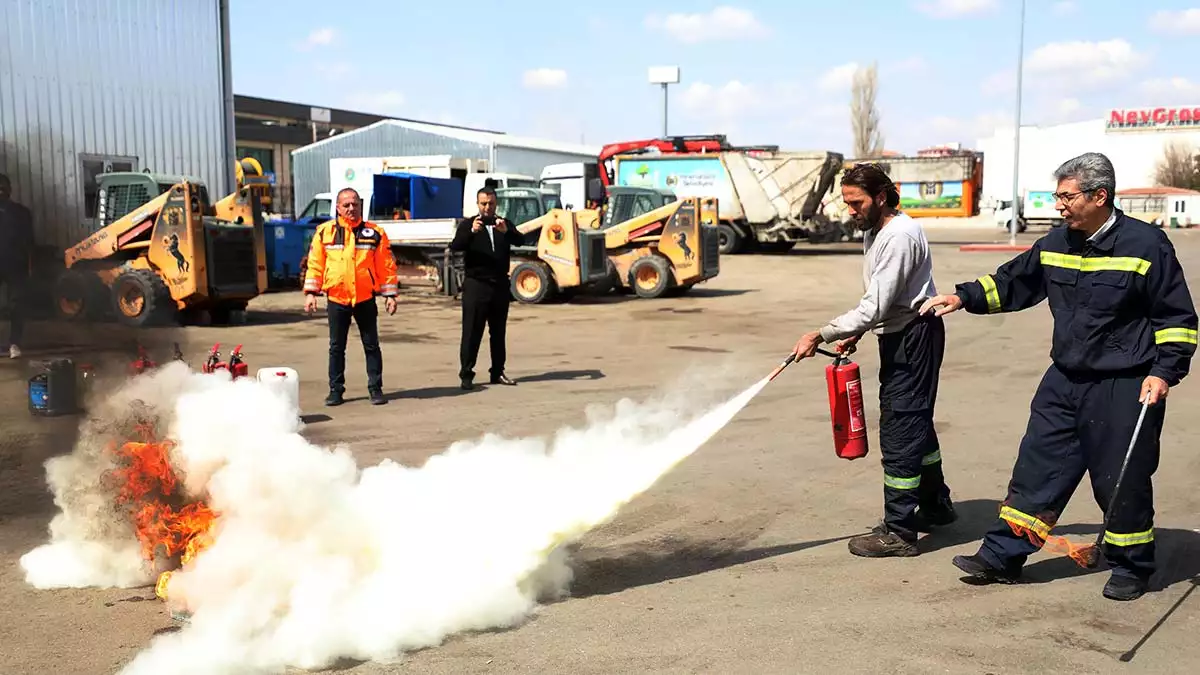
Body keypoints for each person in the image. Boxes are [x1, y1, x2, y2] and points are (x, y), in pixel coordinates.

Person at [919, 152, 1198, 601]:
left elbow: (1177, 317)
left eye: (1066, 197)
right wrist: (962, 297)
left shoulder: (1146, 246)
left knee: (1119, 479)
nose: (1059, 205)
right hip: (1064, 379)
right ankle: (1003, 555)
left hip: (1125, 384)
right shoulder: (1057, 242)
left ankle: (1130, 566)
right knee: (1037, 468)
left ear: (1099, 196)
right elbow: (1013, 282)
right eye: (1058, 196)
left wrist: (1165, 371)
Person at [790, 163, 956, 558]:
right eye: (847, 203)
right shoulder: (876, 230)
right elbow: (881, 301)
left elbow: (876, 304)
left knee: (901, 426)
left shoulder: (899, 236)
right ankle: (935, 504)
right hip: (900, 332)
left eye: (856, 202)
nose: (851, 211)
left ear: (881, 196)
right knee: (915, 420)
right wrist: (857, 331)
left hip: (914, 337)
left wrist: (822, 333)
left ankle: (899, 531)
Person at [304, 187, 400, 406]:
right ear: (337, 207)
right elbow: (315, 264)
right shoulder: (324, 232)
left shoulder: (374, 233)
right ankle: (335, 390)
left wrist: (390, 295)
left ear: (361, 206)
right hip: (337, 298)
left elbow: (386, 266)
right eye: (346, 205)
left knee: (371, 345)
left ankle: (375, 389)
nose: (351, 208)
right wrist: (311, 293)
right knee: (336, 347)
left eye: (355, 204)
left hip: (365, 298)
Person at [451, 186, 523, 390]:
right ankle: (466, 375)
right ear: (477, 204)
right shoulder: (468, 225)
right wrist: (472, 232)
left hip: (499, 285)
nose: (487, 207)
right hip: (476, 285)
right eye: (483, 203)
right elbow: (456, 246)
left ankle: (498, 372)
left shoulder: (504, 223)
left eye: (491, 203)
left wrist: (507, 231)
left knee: (498, 333)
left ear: (496, 204)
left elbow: (521, 240)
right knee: (472, 332)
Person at [0, 174, 33, 359]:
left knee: (17, 305)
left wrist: (30, 265)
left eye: (3, 187)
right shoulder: (22, 212)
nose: (1, 190)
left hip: (16, 264)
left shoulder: (21, 213)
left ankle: (14, 343)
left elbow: (30, 242)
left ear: (10, 190)